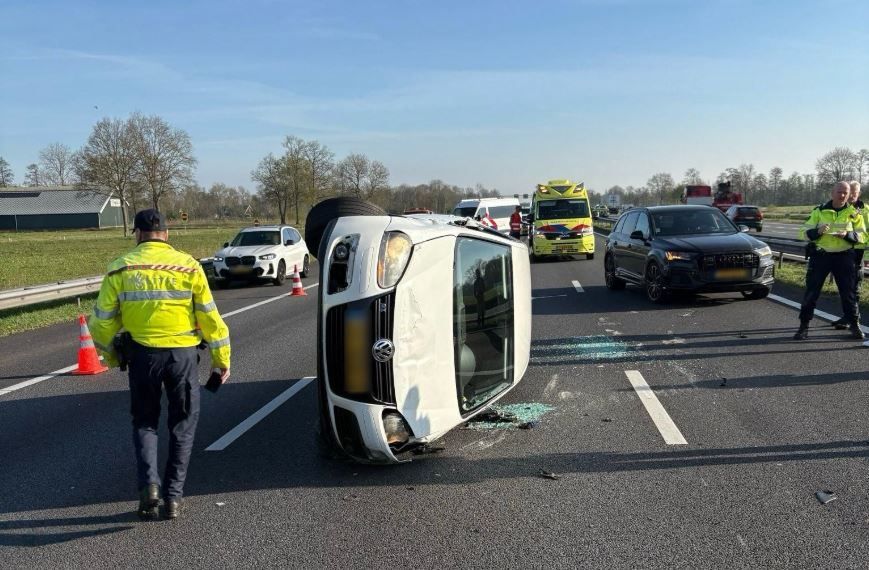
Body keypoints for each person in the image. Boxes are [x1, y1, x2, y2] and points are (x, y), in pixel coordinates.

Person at [89, 209, 231, 520]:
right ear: (166, 234)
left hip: (142, 356)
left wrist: (115, 355)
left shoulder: (119, 269)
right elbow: (210, 318)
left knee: (145, 422)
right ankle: (173, 498)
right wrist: (222, 361)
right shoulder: (189, 266)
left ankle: (149, 489)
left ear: (137, 234)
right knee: (182, 425)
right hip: (182, 357)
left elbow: (99, 324)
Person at [794, 181, 865, 340]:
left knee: (849, 293)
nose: (842, 195)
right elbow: (802, 233)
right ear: (832, 193)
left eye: (845, 193)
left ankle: (854, 325)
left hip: (844, 257)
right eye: (839, 192)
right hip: (821, 256)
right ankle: (803, 327)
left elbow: (863, 236)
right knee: (812, 293)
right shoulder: (819, 211)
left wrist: (847, 235)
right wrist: (817, 232)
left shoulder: (854, 213)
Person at [831, 181, 866, 329]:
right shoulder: (845, 209)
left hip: (859, 254)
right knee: (846, 289)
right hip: (845, 255)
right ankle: (847, 317)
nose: (851, 195)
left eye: (854, 192)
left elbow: (864, 235)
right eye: (849, 192)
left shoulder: (865, 211)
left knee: (854, 289)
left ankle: (854, 321)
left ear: (859, 194)